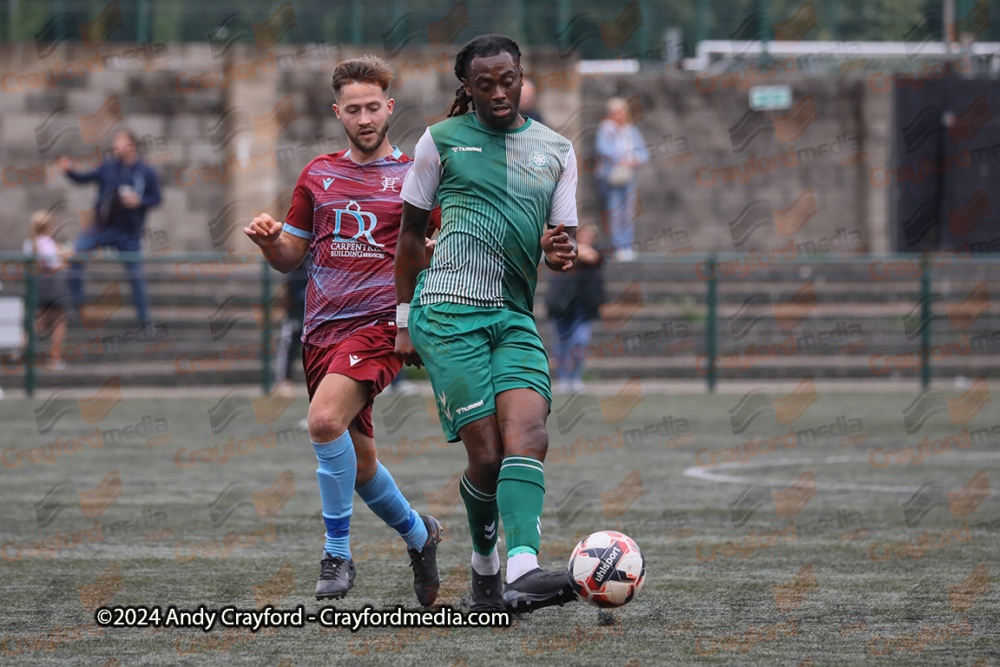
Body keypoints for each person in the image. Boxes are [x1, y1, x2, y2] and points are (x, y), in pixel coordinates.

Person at [244, 56, 442, 605]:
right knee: (360, 466)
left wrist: (417, 308)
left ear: (389, 107)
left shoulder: (417, 178)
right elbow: (291, 257)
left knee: (323, 420)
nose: (363, 117)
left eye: (372, 107)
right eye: (352, 109)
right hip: (320, 334)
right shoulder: (318, 174)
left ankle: (337, 554)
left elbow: (441, 255)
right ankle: (420, 535)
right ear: (338, 112)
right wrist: (267, 240)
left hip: (379, 327)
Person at [395, 33, 581, 614]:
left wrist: (559, 251)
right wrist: (402, 323)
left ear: (522, 77)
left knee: (530, 434)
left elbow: (562, 241)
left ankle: (522, 568)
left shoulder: (557, 149)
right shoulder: (440, 141)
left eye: (509, 80)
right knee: (486, 456)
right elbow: (407, 236)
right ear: (468, 89)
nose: (500, 93)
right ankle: (485, 566)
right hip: (448, 314)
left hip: (514, 315)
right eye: (485, 84)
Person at [59, 129, 162, 327]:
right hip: (101, 227)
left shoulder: (145, 172)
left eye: (120, 142)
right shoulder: (108, 167)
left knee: (136, 276)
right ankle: (77, 308)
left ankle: (144, 322)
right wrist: (69, 170)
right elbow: (83, 178)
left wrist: (139, 201)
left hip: (129, 233)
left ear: (131, 145)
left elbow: (157, 198)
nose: (115, 146)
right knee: (76, 256)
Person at [545, 223, 604, 393]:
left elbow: (592, 257)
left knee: (580, 341)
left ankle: (576, 378)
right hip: (561, 305)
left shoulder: (597, 255)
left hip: (583, 307)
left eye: (589, 237)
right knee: (561, 343)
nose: (585, 240)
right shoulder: (562, 251)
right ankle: (564, 380)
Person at [595, 97, 648, 261]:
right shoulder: (605, 129)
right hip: (611, 179)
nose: (618, 115)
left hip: (628, 177)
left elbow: (644, 153)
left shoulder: (631, 130)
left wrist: (634, 160)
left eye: (621, 112)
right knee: (615, 212)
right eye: (615, 112)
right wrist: (621, 159)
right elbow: (603, 149)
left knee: (628, 213)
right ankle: (617, 246)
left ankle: (627, 246)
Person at [23, 211, 72, 370]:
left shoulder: (30, 243)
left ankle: (19, 349)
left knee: (39, 321)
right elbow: (54, 264)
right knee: (59, 320)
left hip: (38, 284)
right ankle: (54, 357)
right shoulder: (46, 242)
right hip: (52, 285)